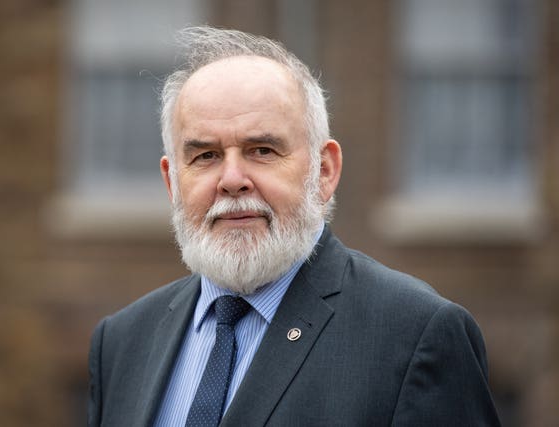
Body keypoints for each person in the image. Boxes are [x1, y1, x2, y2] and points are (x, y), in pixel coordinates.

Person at [87, 26, 501, 427]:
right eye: (206, 156)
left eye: (262, 150)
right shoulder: (121, 343)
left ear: (324, 171)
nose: (232, 179)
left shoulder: (415, 336)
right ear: (172, 182)